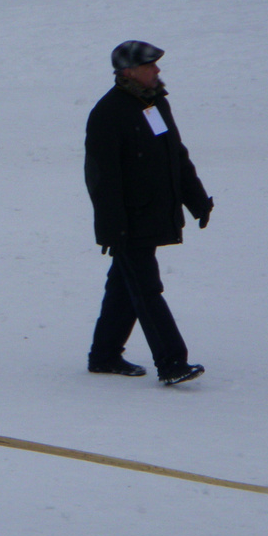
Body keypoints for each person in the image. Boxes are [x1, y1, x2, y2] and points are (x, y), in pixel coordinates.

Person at [84, 40, 213, 385]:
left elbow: (176, 157)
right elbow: (102, 178)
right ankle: (171, 361)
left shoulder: (154, 105)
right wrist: (113, 229)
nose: (157, 71)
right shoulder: (108, 113)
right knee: (146, 289)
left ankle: (105, 355)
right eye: (150, 65)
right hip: (128, 222)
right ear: (129, 72)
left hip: (153, 215)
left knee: (126, 286)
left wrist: (197, 200)